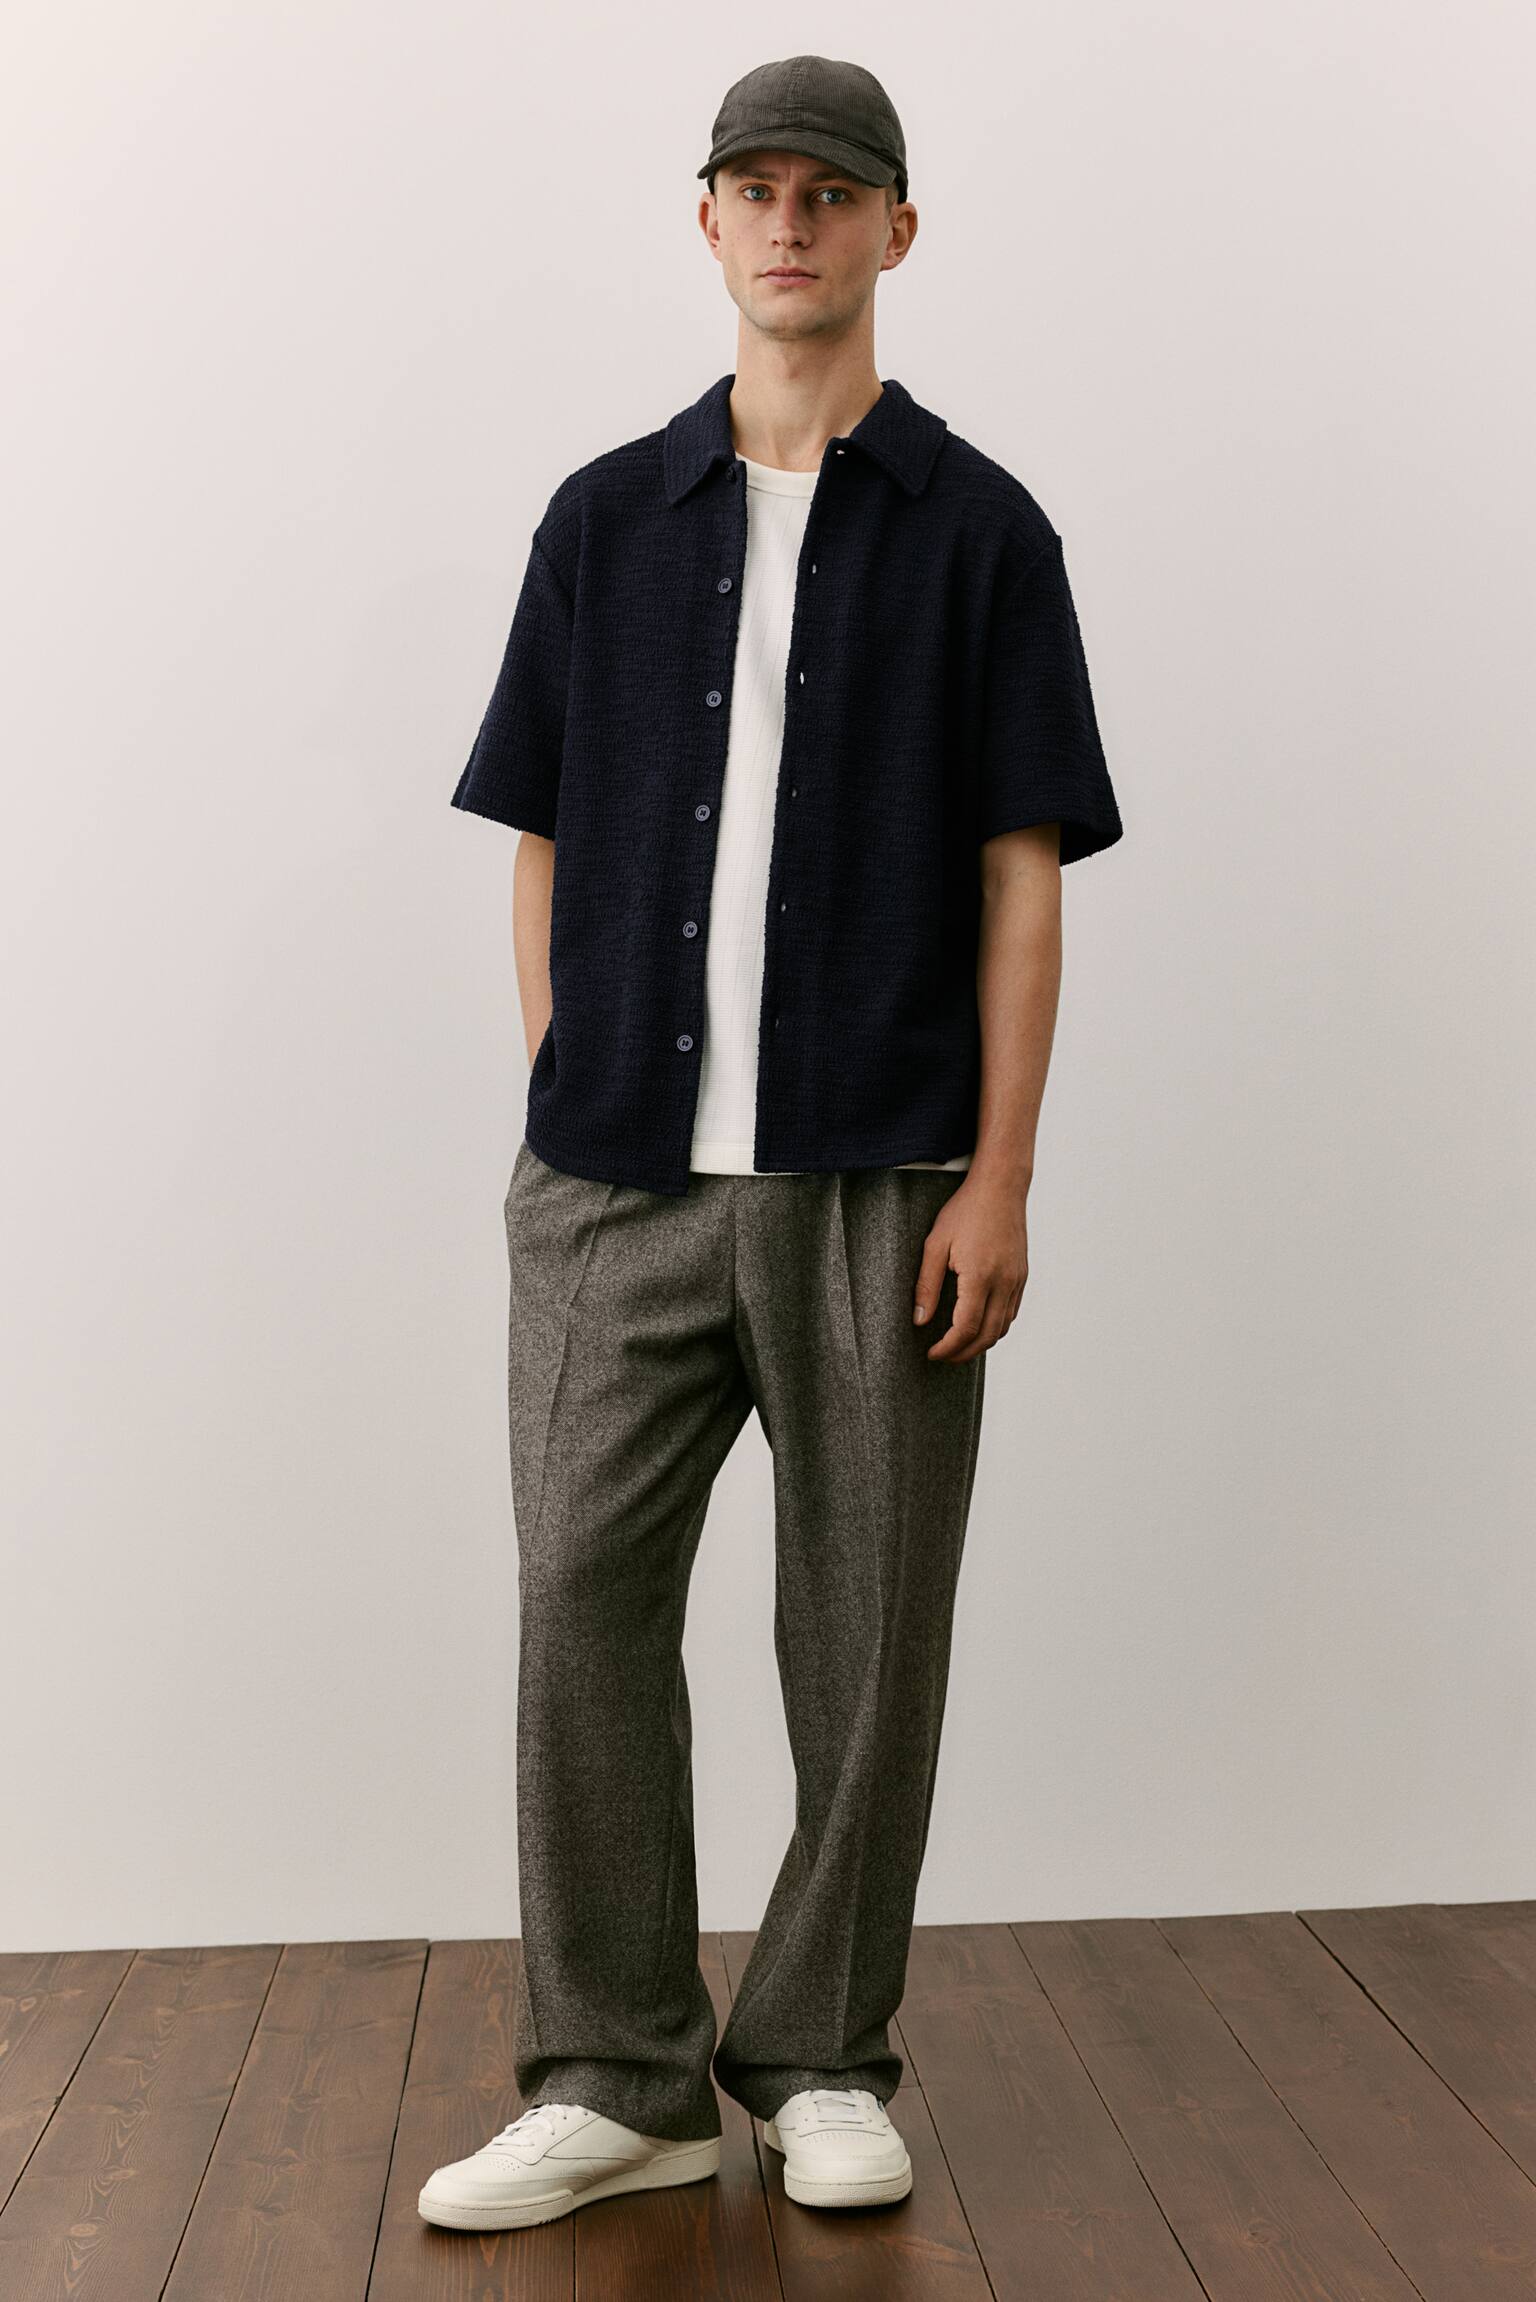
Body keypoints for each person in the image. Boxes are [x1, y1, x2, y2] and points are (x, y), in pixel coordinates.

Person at [420, 52, 1122, 2234]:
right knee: (579, 1606)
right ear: (707, 220)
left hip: (882, 1182)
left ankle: (820, 2049)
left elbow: (1023, 873)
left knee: (868, 1633)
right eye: (757, 187)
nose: (792, 223)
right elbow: (538, 832)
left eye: (833, 192)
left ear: (896, 229)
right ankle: (615, 2070)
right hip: (614, 1182)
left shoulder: (983, 533)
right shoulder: (604, 520)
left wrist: (1000, 1174)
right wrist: (570, 1087)